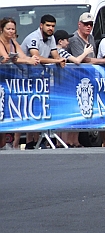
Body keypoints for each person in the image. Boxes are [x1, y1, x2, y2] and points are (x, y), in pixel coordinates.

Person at [21, 14, 66, 149]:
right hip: (24, 77)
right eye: (48, 25)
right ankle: (29, 141)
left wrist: (60, 61)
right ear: (41, 25)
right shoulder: (33, 37)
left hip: (40, 78)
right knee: (31, 107)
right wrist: (56, 61)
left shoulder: (51, 38)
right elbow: (36, 56)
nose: (51, 28)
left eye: (53, 26)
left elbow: (55, 55)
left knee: (41, 106)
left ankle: (39, 140)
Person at [0, 17, 37, 151]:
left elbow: (22, 56)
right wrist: (26, 61)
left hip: (10, 82)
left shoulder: (13, 42)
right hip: (1, 82)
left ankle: (6, 143)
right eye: (8, 29)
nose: (11, 31)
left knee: (7, 112)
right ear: (1, 29)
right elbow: (6, 58)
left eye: (13, 29)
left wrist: (32, 59)